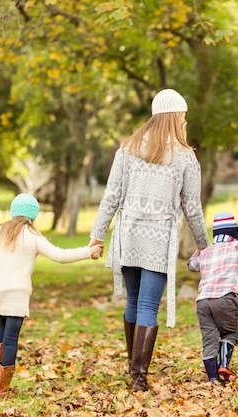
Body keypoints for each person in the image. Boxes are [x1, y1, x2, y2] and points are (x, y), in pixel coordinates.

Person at [89, 89, 209, 392]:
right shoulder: (184, 156)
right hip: (158, 239)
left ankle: (134, 370)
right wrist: (203, 244)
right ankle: (138, 378)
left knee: (133, 301)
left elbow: (111, 197)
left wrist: (97, 235)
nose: (184, 120)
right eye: (182, 115)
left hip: (127, 235)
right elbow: (192, 207)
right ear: (174, 116)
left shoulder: (127, 149)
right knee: (146, 305)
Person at [0, 193, 103, 397]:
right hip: (17, 295)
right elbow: (60, 256)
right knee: (11, 338)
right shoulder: (33, 236)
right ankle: (2, 390)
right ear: (34, 215)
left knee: (2, 328)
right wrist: (89, 251)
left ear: (13, 212)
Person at [187, 212, 238, 384]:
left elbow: (192, 265)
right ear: (234, 232)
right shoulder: (236, 246)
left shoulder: (207, 251)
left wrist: (199, 249)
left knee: (209, 338)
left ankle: (213, 378)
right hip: (225, 298)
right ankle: (223, 364)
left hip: (203, 301)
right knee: (230, 333)